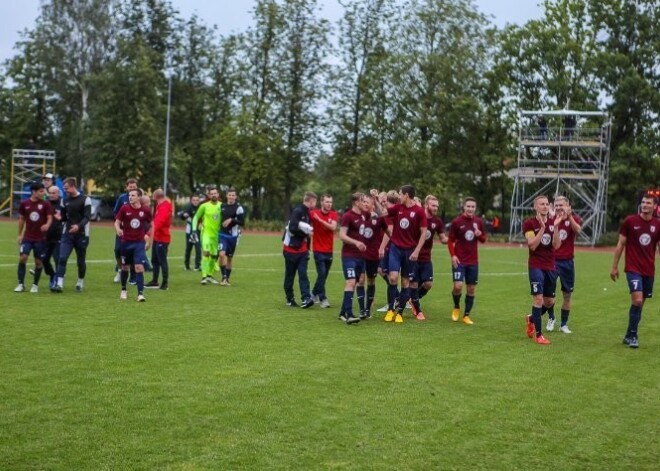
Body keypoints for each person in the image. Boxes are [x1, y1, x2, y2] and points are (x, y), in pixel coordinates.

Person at [610, 194, 660, 348]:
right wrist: (614, 266)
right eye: (643, 202)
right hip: (632, 268)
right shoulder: (630, 221)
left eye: (648, 203)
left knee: (640, 305)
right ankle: (633, 336)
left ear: (654, 207)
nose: (644, 205)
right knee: (637, 300)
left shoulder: (658, 224)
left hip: (648, 270)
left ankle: (628, 334)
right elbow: (620, 244)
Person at [379, 185, 427, 324]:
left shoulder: (419, 211)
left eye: (400, 193)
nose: (399, 196)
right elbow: (382, 213)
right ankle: (390, 310)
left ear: (406, 195)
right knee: (393, 278)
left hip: (410, 251)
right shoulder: (398, 208)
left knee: (405, 282)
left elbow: (424, 232)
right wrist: (376, 200)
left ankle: (399, 313)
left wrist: (417, 250)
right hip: (395, 248)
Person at [523, 195, 561, 345]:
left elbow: (556, 245)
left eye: (546, 204)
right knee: (538, 299)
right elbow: (532, 245)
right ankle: (539, 335)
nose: (545, 206)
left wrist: (555, 227)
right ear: (535, 207)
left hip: (550, 266)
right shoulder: (529, 224)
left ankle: (531, 318)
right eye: (541, 204)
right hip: (536, 265)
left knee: (550, 301)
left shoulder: (553, 223)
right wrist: (543, 229)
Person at [448, 197, 486, 325]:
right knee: (457, 286)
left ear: (475, 208)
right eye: (468, 206)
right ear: (464, 207)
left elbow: (483, 239)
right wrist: (453, 255)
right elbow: (450, 240)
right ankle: (456, 306)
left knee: (471, 289)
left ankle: (466, 315)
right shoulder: (457, 222)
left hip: (473, 262)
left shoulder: (478, 222)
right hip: (459, 260)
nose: (470, 209)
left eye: (473, 207)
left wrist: (479, 234)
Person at [51, 178, 91, 293]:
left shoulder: (85, 199)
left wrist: (78, 226)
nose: (65, 190)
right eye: (64, 188)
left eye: (66, 188)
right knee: (62, 258)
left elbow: (87, 217)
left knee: (80, 261)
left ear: (73, 186)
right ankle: (59, 284)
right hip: (67, 234)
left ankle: (80, 281)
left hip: (82, 235)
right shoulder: (65, 200)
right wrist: (59, 218)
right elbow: (64, 217)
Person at [411, 195, 448, 319]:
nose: (436, 208)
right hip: (413, 256)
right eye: (433, 205)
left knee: (428, 284)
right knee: (414, 283)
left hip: (426, 258)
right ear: (426, 205)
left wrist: (453, 239)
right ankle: (418, 310)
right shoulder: (417, 218)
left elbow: (443, 239)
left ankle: (414, 298)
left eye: (437, 206)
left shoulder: (437, 221)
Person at [549, 196, 582, 334]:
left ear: (568, 206)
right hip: (551, 261)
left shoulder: (574, 219)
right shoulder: (550, 219)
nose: (558, 208)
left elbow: (578, 231)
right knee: (548, 296)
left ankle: (563, 324)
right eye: (556, 205)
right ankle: (551, 318)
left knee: (567, 295)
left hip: (567, 262)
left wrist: (569, 217)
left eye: (561, 205)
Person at [115, 188, 153, 301]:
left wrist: (149, 240)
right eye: (129, 195)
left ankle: (140, 294)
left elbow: (151, 224)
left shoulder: (145, 210)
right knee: (125, 267)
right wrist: (118, 229)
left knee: (139, 267)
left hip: (138, 243)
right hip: (126, 243)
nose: (130, 197)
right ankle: (123, 290)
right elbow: (117, 221)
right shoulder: (124, 208)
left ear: (139, 197)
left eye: (133, 195)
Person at [14, 182, 53, 292]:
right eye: (41, 191)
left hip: (40, 239)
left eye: (43, 190)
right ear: (34, 192)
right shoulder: (24, 204)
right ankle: (21, 284)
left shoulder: (46, 204)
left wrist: (47, 225)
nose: (43, 193)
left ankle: (35, 285)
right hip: (27, 237)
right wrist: (19, 234)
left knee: (38, 262)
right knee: (23, 258)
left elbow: (50, 217)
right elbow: (21, 219)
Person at [282, 191, 317, 308]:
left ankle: (306, 298)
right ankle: (290, 298)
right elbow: (292, 228)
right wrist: (305, 234)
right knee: (290, 275)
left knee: (303, 274)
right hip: (290, 249)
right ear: (311, 201)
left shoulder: (308, 213)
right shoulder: (298, 211)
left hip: (302, 251)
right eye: (315, 201)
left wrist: (308, 248)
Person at [338, 192, 367, 324]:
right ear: (356, 202)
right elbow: (342, 235)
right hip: (348, 255)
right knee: (350, 281)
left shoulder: (363, 215)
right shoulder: (347, 216)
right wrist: (356, 242)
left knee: (354, 283)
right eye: (362, 201)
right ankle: (349, 314)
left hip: (360, 256)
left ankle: (343, 312)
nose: (365, 203)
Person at [359, 191, 386, 319]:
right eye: (363, 201)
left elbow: (383, 215)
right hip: (359, 253)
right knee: (360, 279)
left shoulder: (376, 217)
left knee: (370, 280)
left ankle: (368, 308)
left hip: (373, 254)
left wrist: (376, 199)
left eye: (367, 202)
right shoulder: (359, 216)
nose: (364, 203)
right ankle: (362, 309)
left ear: (372, 205)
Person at [310, 193, 338, 307]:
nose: (329, 204)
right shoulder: (313, 213)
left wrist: (320, 220)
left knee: (324, 275)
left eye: (330, 202)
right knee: (321, 274)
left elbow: (333, 227)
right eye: (327, 202)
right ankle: (323, 298)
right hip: (317, 249)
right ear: (321, 202)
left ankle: (314, 293)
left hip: (329, 250)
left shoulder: (334, 214)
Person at [192, 186, 223, 284]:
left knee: (214, 256)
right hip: (205, 234)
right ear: (209, 195)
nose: (214, 195)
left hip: (217, 235)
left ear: (218, 194)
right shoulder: (204, 206)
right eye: (212, 193)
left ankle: (209, 275)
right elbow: (196, 218)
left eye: (215, 193)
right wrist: (193, 230)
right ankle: (204, 277)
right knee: (206, 253)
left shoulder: (222, 206)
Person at [113, 178, 139, 283]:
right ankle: (120, 270)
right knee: (117, 250)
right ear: (126, 187)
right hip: (122, 230)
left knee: (132, 252)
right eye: (130, 186)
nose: (132, 188)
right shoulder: (122, 198)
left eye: (134, 186)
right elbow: (115, 212)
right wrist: (119, 222)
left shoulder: (139, 198)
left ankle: (133, 276)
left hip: (135, 231)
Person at [145, 189, 172, 290]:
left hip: (163, 238)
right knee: (155, 260)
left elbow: (159, 222)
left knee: (162, 260)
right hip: (157, 237)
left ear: (155, 197)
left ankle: (164, 283)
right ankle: (155, 281)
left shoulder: (164, 206)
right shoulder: (161, 205)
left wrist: (148, 232)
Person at [219, 187, 245, 286]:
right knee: (221, 255)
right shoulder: (222, 206)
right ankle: (223, 277)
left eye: (233, 195)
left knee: (229, 258)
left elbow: (242, 222)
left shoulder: (239, 208)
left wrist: (231, 220)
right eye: (229, 195)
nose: (231, 197)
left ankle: (227, 278)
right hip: (222, 234)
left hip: (233, 237)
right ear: (226, 196)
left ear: (236, 196)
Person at [42, 185, 64, 289]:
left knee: (57, 259)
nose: (51, 195)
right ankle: (52, 274)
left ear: (58, 193)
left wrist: (62, 218)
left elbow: (68, 217)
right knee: (44, 259)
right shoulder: (45, 204)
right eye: (50, 193)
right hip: (46, 237)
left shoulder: (63, 204)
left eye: (53, 193)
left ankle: (57, 282)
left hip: (59, 237)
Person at [180, 194, 202, 271]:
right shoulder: (189, 208)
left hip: (198, 231)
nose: (195, 202)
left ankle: (197, 266)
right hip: (190, 231)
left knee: (198, 248)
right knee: (189, 248)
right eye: (194, 200)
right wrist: (184, 215)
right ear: (191, 201)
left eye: (197, 200)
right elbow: (182, 216)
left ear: (199, 201)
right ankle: (186, 265)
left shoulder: (201, 207)